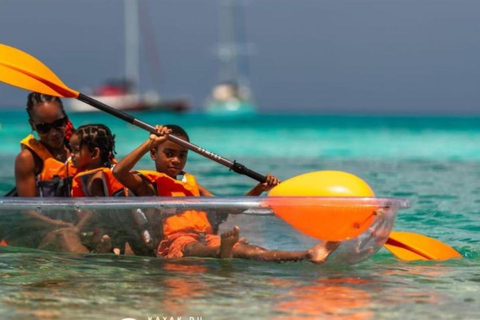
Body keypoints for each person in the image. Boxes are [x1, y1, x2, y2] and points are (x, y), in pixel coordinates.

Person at [113, 124, 339, 263]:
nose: (176, 160)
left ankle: (310, 254)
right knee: (193, 249)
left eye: (182, 155)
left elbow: (231, 207)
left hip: (207, 238)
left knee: (252, 251)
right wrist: (150, 141)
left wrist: (259, 189)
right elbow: (119, 171)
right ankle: (222, 251)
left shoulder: (192, 185)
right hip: (176, 243)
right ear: (154, 154)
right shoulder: (148, 184)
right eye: (169, 153)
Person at [1, 93, 77, 249]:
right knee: (66, 238)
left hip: (79, 228)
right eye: (44, 128)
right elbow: (28, 213)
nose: (54, 133)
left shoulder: (78, 151)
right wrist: (62, 225)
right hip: (42, 233)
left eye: (59, 123)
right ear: (33, 125)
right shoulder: (27, 159)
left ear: (65, 119)